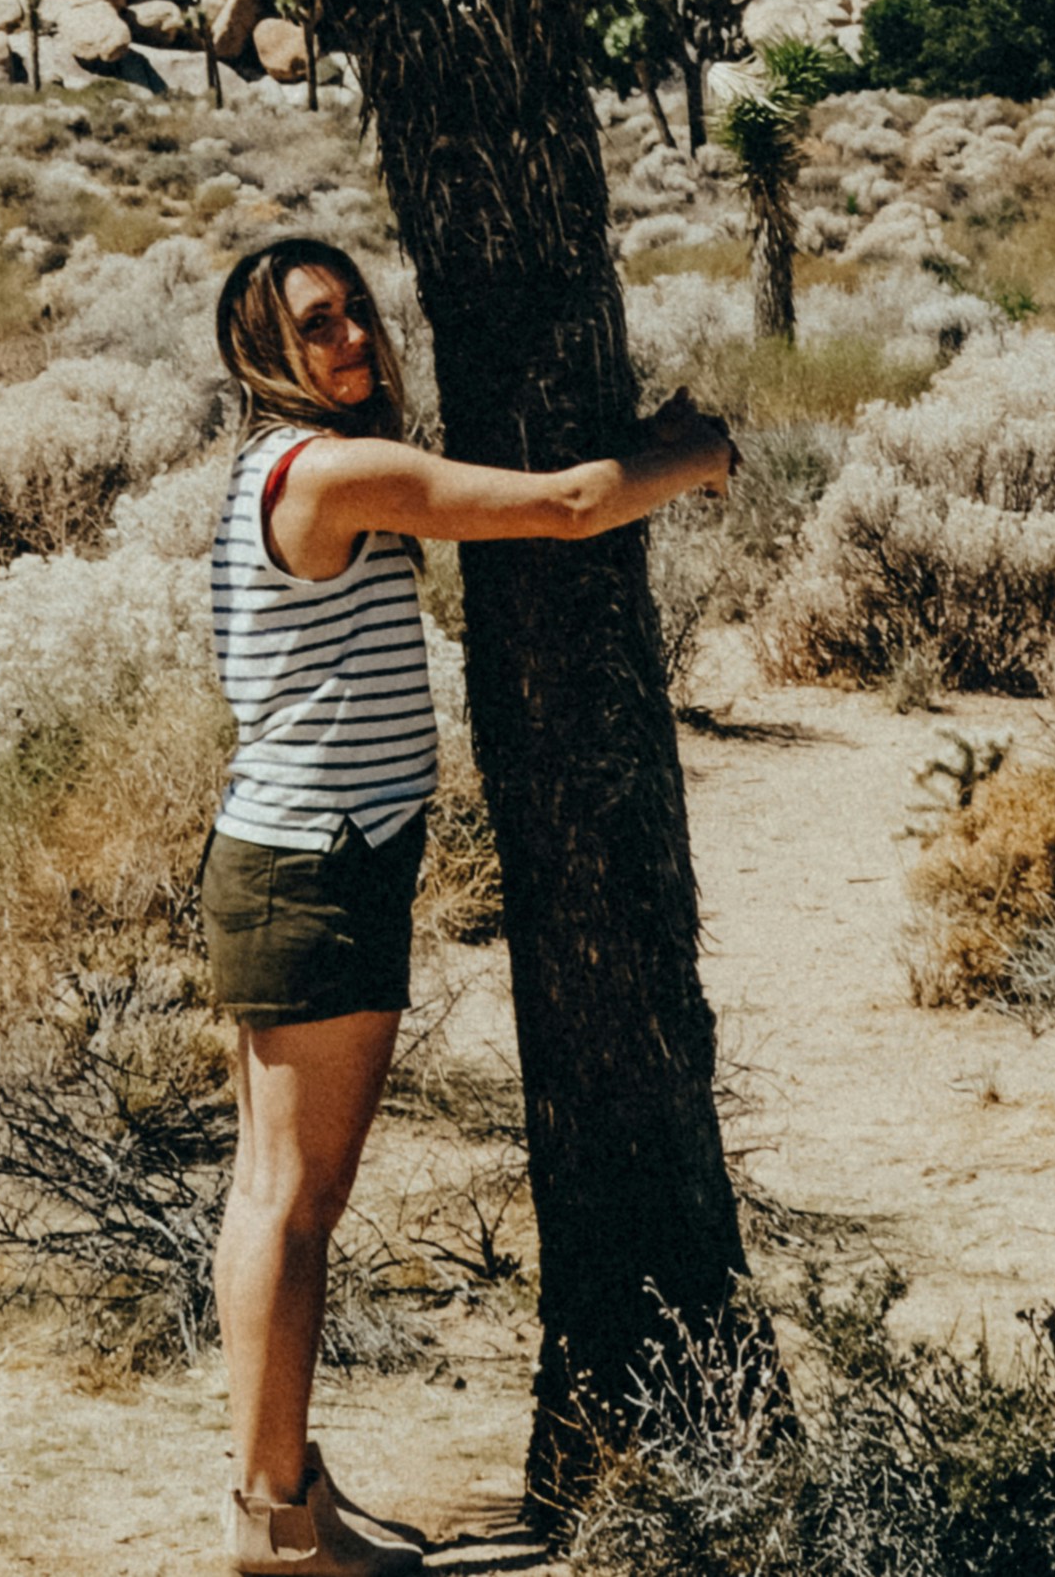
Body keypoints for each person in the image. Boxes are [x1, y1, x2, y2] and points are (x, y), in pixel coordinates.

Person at [201, 234, 732, 1577]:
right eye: (317, 326)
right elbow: (566, 506)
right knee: (292, 1199)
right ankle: (271, 1519)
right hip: (318, 864)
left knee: (279, 1190)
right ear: (266, 355)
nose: (354, 340)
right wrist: (692, 452)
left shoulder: (282, 469)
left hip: (303, 856)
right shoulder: (326, 468)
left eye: (356, 313)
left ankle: (288, 1495)